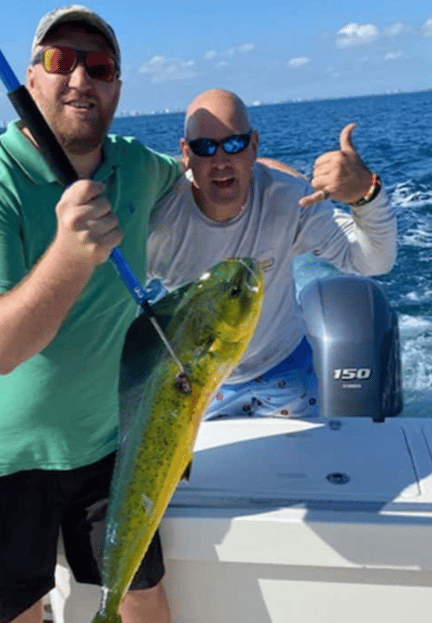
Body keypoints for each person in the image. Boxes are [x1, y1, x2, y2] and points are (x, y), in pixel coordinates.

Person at [0, 6, 181, 623]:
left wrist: (337, 187)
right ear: (31, 77)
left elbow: (214, 181)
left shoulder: (138, 166)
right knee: (17, 611)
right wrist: (71, 255)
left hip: (108, 439)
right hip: (5, 455)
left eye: (99, 67)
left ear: (117, 88)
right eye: (59, 61)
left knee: (142, 591)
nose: (80, 80)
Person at [148, 89, 397, 419]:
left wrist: (366, 196)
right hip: (194, 383)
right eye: (204, 148)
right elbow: (109, 307)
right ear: (186, 154)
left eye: (234, 144)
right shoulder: (160, 222)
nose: (220, 160)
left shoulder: (289, 198)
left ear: (253, 146)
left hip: (285, 370)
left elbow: (372, 262)